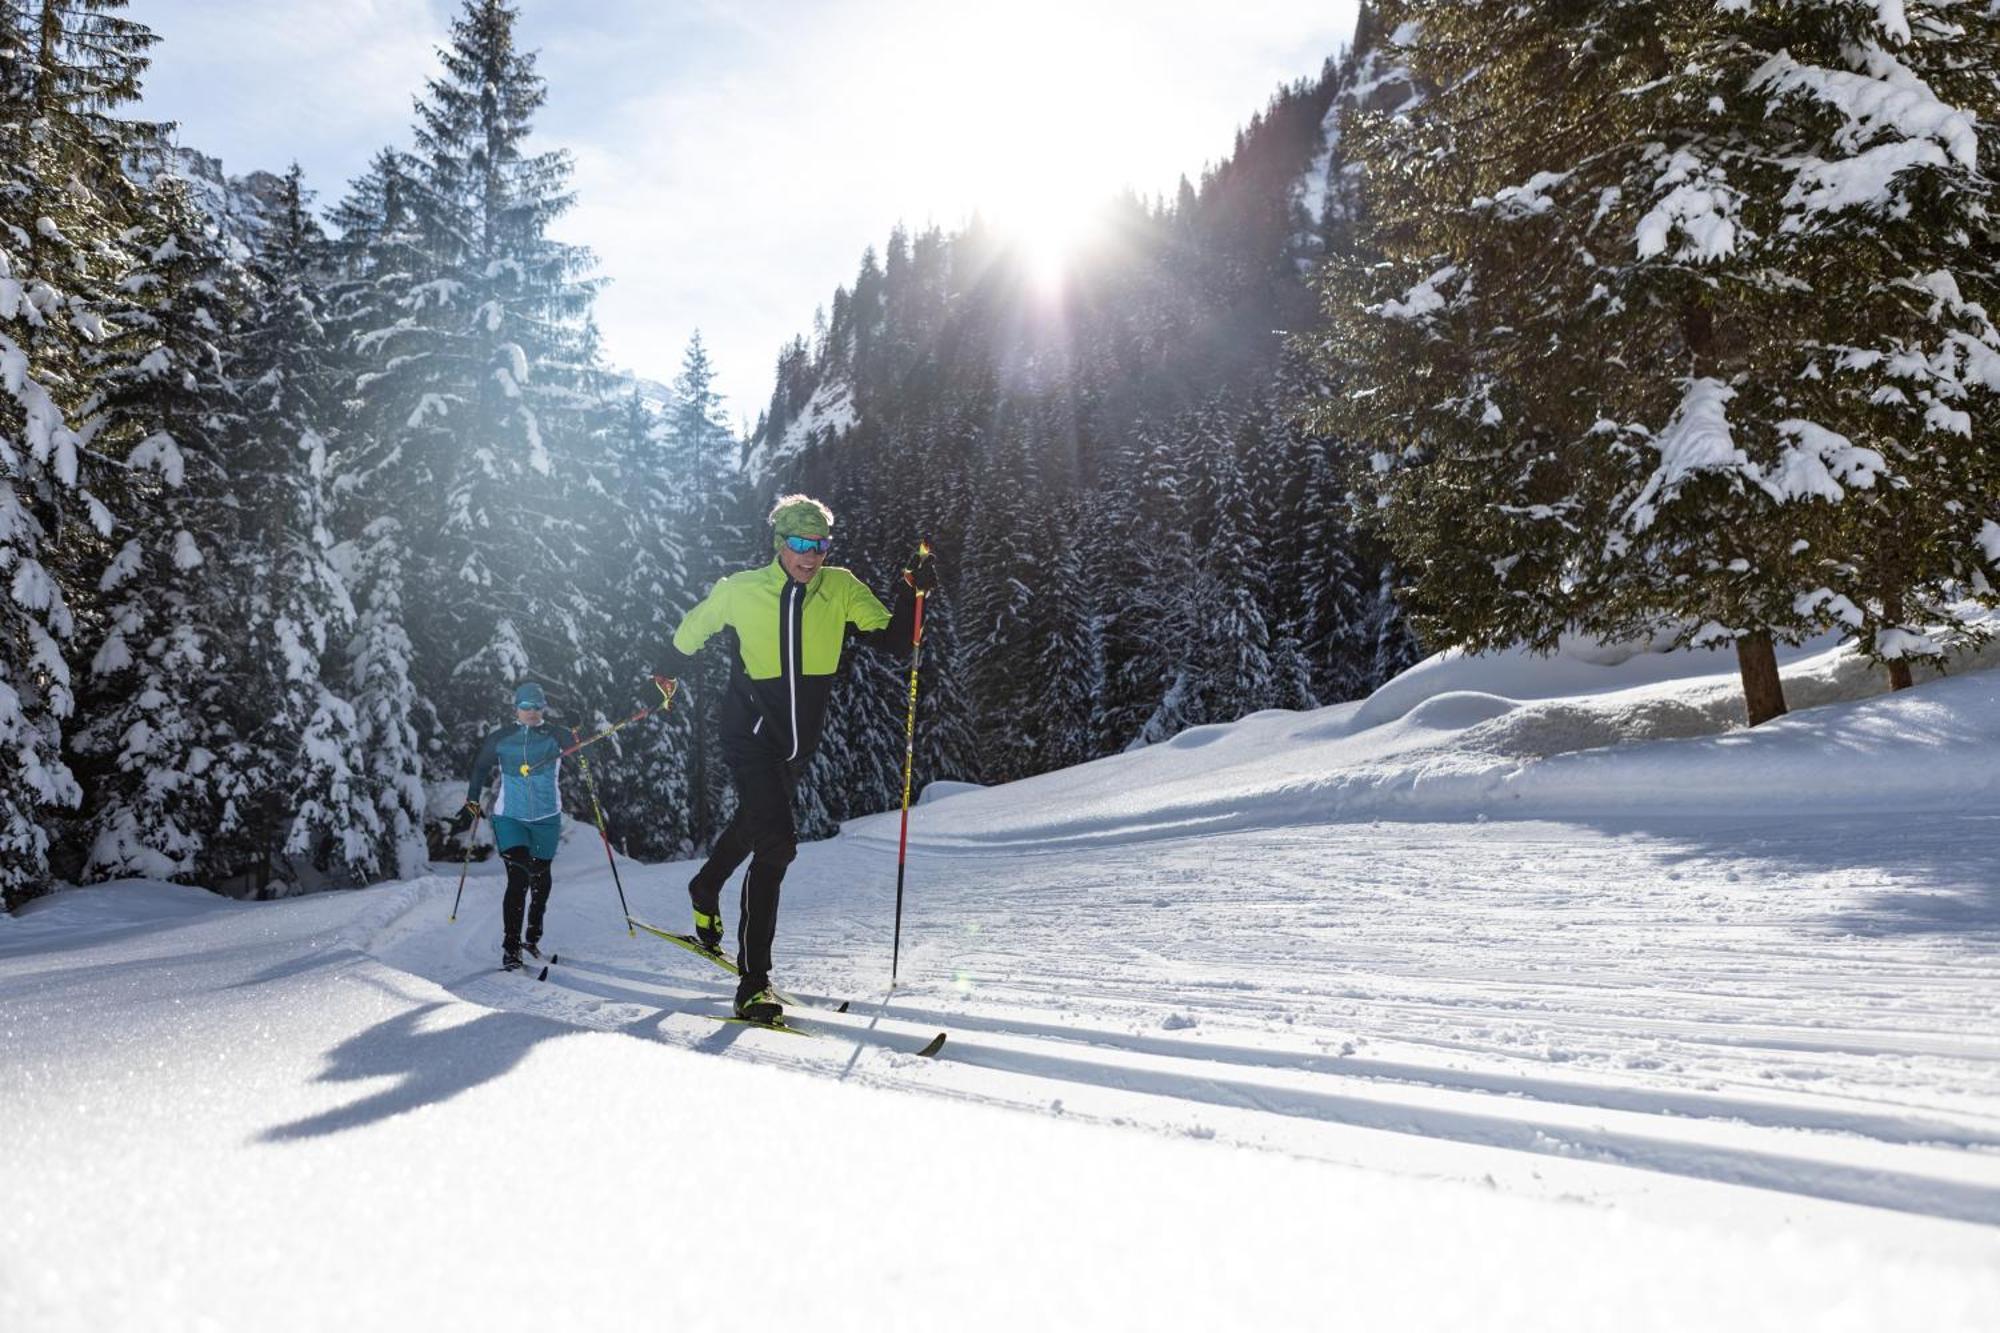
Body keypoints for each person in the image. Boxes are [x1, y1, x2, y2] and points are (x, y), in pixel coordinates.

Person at [662, 494, 932, 1020]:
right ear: (780, 543)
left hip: (796, 746)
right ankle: (753, 983)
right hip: (749, 735)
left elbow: (899, 641)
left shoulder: (840, 587)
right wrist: (666, 668)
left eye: (821, 545)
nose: (812, 556)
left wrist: (911, 593)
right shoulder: (741, 590)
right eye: (802, 544)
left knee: (756, 824)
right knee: (778, 846)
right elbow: (690, 631)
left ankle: (704, 884)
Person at [450, 681, 565, 971]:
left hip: (547, 818)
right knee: (519, 877)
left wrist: (575, 726)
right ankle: (511, 948)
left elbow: (585, 740)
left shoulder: (554, 735)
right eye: (525, 706)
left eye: (537, 706)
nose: (531, 711)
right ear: (515, 708)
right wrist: (472, 802)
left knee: (542, 878)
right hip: (510, 817)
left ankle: (532, 939)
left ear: (543, 708)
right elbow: (479, 767)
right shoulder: (501, 738)